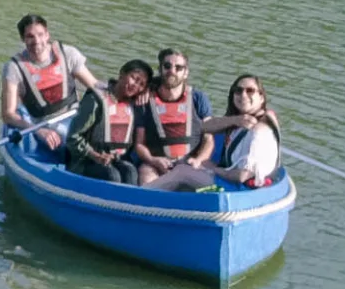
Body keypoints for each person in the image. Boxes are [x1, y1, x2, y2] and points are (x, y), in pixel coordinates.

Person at [147, 75, 281, 192]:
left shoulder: (258, 132)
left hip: (240, 189)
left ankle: (140, 196)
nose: (243, 95)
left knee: (181, 172)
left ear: (262, 97)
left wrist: (212, 168)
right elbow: (205, 127)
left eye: (250, 90)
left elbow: (243, 176)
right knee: (185, 164)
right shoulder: (249, 118)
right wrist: (235, 120)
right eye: (238, 91)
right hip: (238, 183)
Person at [1, 14, 98, 153]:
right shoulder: (13, 68)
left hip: (77, 115)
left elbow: (95, 86)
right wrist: (38, 130)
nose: (37, 41)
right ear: (23, 39)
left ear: (47, 35)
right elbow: (8, 114)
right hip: (46, 124)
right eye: (30, 36)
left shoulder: (68, 53)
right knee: (77, 141)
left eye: (40, 34)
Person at [64, 59, 154, 183]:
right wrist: (95, 156)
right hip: (87, 161)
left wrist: (149, 91)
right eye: (133, 78)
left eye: (141, 84)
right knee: (112, 176)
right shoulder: (95, 100)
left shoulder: (136, 105)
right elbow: (73, 137)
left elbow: (163, 87)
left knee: (131, 172)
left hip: (117, 160)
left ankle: (126, 202)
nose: (135, 85)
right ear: (122, 73)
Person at [133, 47, 213, 186]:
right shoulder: (145, 100)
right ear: (160, 69)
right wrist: (153, 160)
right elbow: (139, 143)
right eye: (167, 66)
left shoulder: (198, 98)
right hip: (156, 164)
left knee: (207, 185)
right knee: (146, 176)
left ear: (186, 73)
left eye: (179, 67)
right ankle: (149, 205)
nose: (172, 71)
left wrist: (199, 160)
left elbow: (208, 139)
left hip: (190, 163)